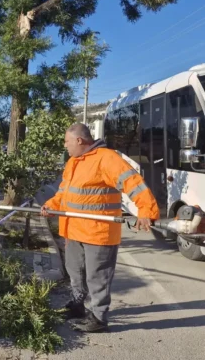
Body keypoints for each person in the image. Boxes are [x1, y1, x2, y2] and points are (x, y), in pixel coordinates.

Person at [41, 123, 159, 333]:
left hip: (98, 231)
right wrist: (51, 205)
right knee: (74, 271)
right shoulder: (73, 162)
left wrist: (146, 210)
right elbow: (64, 193)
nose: (64, 145)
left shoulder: (107, 158)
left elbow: (134, 182)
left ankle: (98, 318)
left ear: (79, 140)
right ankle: (77, 305)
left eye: (67, 141)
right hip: (73, 229)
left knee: (98, 276)